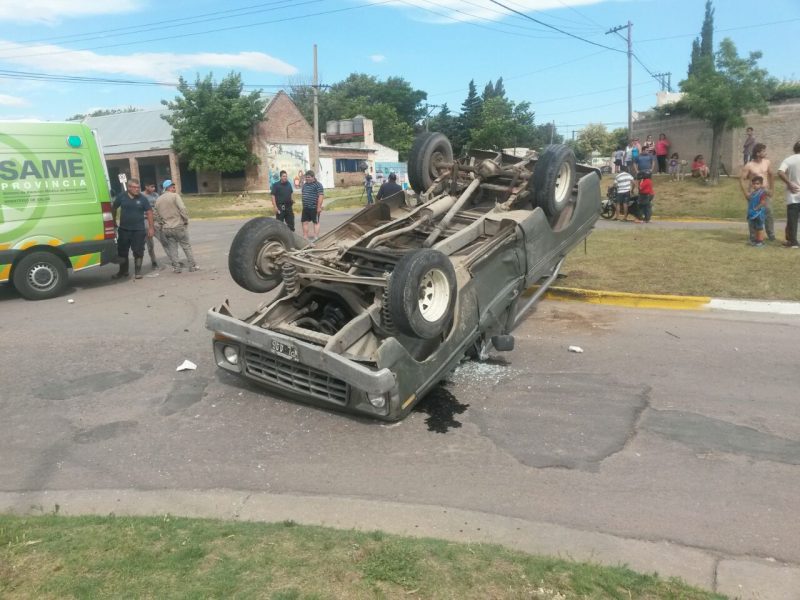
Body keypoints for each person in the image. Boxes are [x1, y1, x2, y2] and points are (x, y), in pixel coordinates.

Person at [112, 177, 154, 280]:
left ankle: (138, 272)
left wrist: (151, 228)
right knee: (122, 251)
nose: (137, 189)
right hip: (124, 230)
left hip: (138, 230)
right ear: (129, 187)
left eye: (138, 187)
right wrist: (113, 221)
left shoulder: (142, 198)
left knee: (138, 251)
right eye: (135, 187)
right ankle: (123, 271)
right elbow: (114, 208)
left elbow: (149, 212)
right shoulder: (121, 196)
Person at [154, 180, 199, 273]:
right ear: (169, 188)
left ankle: (176, 268)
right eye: (173, 187)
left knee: (172, 248)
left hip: (167, 228)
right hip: (178, 225)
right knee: (186, 246)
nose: (174, 189)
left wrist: (162, 223)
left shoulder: (158, 199)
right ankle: (192, 266)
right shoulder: (175, 196)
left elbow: (155, 214)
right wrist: (185, 220)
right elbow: (182, 209)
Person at [740, 143, 775, 241]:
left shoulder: (767, 162)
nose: (765, 153)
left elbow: (771, 175)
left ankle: (771, 235)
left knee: (769, 212)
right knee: (754, 213)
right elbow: (742, 179)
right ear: (757, 153)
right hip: (754, 193)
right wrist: (746, 193)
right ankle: (753, 236)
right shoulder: (749, 165)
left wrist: (772, 189)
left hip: (765, 191)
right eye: (763, 151)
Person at [777, 141, 800, 249]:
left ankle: (793, 242)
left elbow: (780, 172)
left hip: (793, 194)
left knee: (792, 220)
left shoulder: (789, 160)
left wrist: (789, 183)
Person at [142, 182, 163, 270]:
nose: (153, 188)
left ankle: (174, 261)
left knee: (164, 240)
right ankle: (153, 261)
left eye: (154, 186)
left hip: (156, 220)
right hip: (146, 220)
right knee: (150, 244)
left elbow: (159, 207)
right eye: (151, 186)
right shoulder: (141, 196)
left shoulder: (156, 195)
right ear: (146, 187)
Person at [744, 175, 768, 247]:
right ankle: (755, 240)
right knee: (754, 227)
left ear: (761, 184)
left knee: (759, 228)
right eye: (754, 184)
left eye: (757, 184)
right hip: (752, 213)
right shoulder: (753, 193)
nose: (755, 185)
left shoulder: (762, 192)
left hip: (759, 213)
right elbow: (749, 199)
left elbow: (763, 202)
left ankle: (760, 241)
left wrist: (757, 208)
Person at [301, 169, 324, 241]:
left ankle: (316, 237)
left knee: (315, 222)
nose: (307, 179)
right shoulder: (305, 185)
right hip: (305, 208)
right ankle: (305, 237)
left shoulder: (318, 185)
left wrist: (319, 207)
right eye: (306, 177)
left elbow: (321, 196)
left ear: (313, 177)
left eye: (309, 177)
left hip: (314, 207)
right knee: (304, 222)